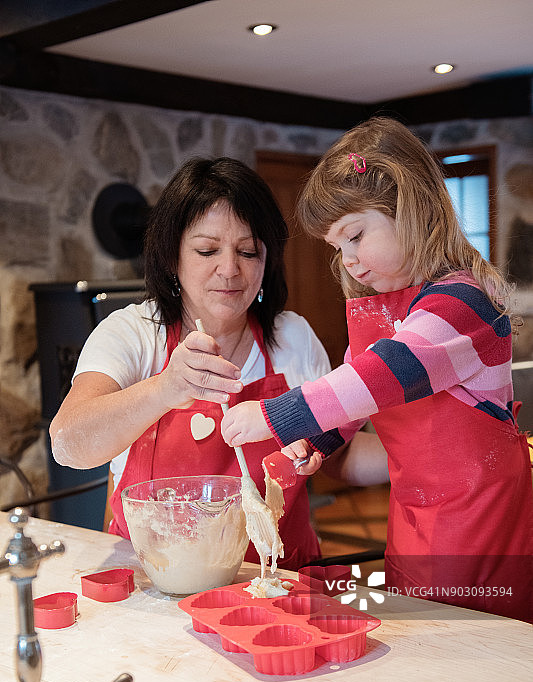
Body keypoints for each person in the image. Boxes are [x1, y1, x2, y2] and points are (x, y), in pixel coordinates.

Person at [221, 117, 533, 622]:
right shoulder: (389, 312)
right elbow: (353, 393)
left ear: (411, 207)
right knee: (420, 626)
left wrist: (277, 416)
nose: (349, 261)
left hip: (481, 518)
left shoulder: (463, 304)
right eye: (337, 248)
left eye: (356, 235)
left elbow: (378, 378)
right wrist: (318, 442)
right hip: (415, 511)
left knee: (473, 639)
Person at [50, 156, 339, 570]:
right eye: (207, 250)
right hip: (158, 580)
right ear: (172, 257)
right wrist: (166, 388)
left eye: (248, 251)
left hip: (275, 580)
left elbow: (342, 454)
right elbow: (67, 444)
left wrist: (414, 446)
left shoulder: (293, 337)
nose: (230, 269)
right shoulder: (133, 334)